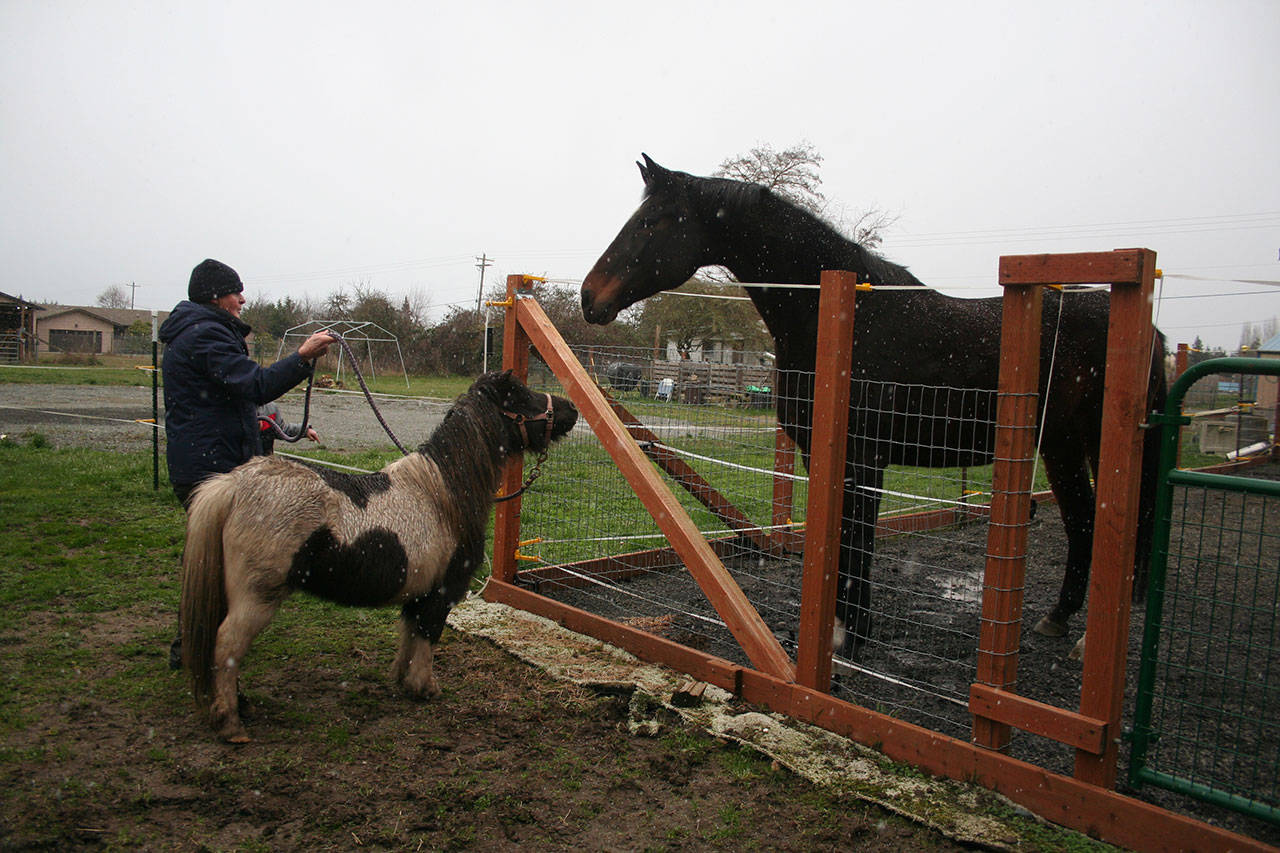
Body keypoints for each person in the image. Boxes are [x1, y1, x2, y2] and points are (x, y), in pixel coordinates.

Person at [160, 258, 337, 668]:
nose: (242, 299)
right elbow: (255, 384)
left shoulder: (198, 333)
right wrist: (303, 357)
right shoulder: (205, 336)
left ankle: (191, 649)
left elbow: (238, 396)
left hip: (207, 462)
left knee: (213, 561)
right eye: (236, 291)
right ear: (216, 297)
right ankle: (200, 652)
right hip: (212, 470)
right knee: (217, 566)